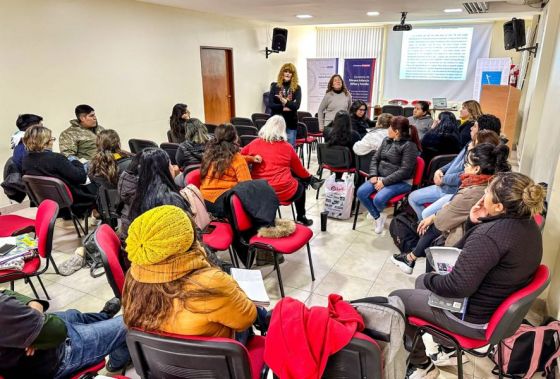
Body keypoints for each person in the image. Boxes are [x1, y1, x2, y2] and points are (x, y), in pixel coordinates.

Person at [391, 172, 545, 379]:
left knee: (398, 298)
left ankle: (421, 364)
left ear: (499, 207)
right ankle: (446, 346)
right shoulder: (529, 225)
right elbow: (465, 254)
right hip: (493, 309)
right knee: (421, 283)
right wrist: (474, 222)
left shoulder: (490, 236)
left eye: (488, 192)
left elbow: (458, 286)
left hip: (472, 318)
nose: (483, 195)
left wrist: (431, 278)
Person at [122, 205, 257, 342]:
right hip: (214, 360)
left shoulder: (133, 278)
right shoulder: (210, 282)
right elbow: (247, 318)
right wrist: (230, 283)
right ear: (189, 240)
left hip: (164, 362)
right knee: (258, 314)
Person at [391, 141, 511, 274]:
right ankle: (412, 257)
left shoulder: (474, 192)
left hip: (458, 246)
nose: (464, 167)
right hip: (468, 235)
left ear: (477, 169)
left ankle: (412, 260)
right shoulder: (487, 183)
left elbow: (442, 220)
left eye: (467, 164)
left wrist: (435, 216)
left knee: (433, 224)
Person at [0, 289, 129, 378]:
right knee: (129, 322)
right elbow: (57, 330)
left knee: (73, 315)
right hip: (55, 358)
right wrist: (35, 322)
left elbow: (8, 293)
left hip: (44, 338)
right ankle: (116, 362)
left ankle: (104, 316)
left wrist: (32, 324)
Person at [408, 114, 502, 220]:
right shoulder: (470, 143)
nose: (471, 128)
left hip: (452, 190)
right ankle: (425, 226)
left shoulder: (481, 156)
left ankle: (427, 228)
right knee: (412, 198)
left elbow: (463, 176)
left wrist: (443, 179)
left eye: (475, 126)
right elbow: (454, 161)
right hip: (444, 184)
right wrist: (440, 170)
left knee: (426, 213)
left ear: (483, 131)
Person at [241, 115, 324, 226]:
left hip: (260, 190)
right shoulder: (287, 147)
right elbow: (299, 170)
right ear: (283, 130)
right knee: (300, 185)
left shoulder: (254, 143)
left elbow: (239, 157)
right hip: (283, 192)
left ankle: (312, 181)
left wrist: (251, 159)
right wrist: (308, 177)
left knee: (295, 176)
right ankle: (301, 216)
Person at [356, 116, 418, 234]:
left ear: (396, 132)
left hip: (402, 181)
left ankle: (376, 213)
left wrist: (384, 182)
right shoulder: (386, 140)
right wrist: (373, 174)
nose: (387, 129)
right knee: (361, 192)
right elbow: (375, 158)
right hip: (381, 176)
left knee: (379, 199)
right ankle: (378, 217)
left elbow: (404, 171)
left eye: (390, 127)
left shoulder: (409, 146)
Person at [22, 126, 97, 217]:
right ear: (45, 142)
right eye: (52, 139)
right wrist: (76, 161)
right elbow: (81, 177)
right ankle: (103, 216)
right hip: (74, 203)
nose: (52, 142)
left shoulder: (26, 160)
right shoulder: (56, 158)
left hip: (48, 204)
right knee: (98, 181)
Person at [127, 148, 190, 235]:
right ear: (164, 169)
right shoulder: (172, 200)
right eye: (170, 164)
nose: (173, 167)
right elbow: (187, 233)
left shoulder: (138, 198)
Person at [200, 123, 255, 217]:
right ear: (235, 138)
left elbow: (226, 160)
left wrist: (251, 159)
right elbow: (247, 187)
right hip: (224, 205)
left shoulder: (209, 154)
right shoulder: (237, 158)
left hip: (203, 202)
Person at [268, 63, 302, 147]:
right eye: (285, 71)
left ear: (293, 75)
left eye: (290, 72)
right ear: (282, 73)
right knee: (276, 148)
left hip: (290, 123)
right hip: (276, 123)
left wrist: (285, 101)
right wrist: (283, 107)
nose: (287, 74)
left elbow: (296, 106)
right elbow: (271, 104)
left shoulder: (297, 88)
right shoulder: (275, 86)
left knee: (289, 148)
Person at [325, 111, 361, 180]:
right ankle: (357, 186)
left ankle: (338, 178)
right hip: (349, 164)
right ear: (349, 121)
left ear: (335, 120)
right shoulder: (354, 135)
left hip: (332, 162)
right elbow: (359, 150)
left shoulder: (328, 134)